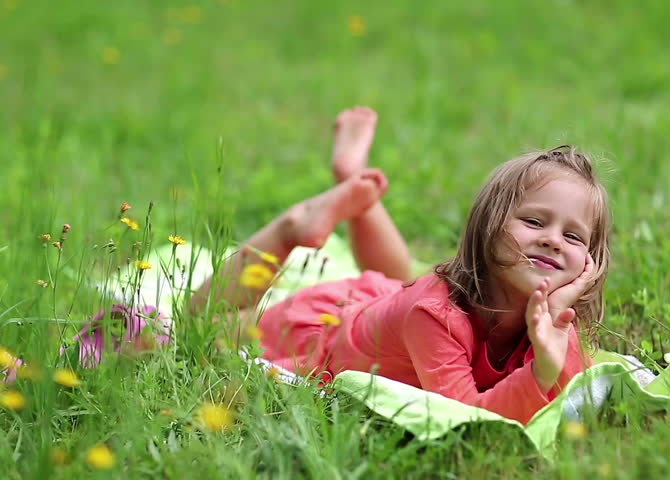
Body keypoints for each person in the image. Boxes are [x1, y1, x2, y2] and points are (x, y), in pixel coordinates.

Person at [189, 106, 611, 424]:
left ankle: (353, 181)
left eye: (574, 236)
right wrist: (541, 372)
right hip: (324, 332)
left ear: (590, 262)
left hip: (388, 309)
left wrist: (555, 329)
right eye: (534, 221)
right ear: (487, 226)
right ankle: (290, 228)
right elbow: (468, 418)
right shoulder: (433, 315)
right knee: (201, 327)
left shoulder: (555, 318)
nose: (553, 240)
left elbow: (562, 396)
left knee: (400, 280)